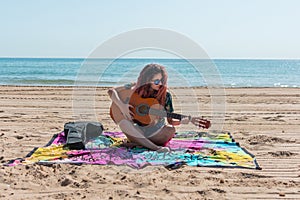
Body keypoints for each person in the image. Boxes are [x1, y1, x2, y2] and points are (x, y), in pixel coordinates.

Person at [108, 63, 190, 152]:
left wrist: (181, 121)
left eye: (162, 80)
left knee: (171, 130)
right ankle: (155, 148)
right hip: (138, 130)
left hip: (155, 133)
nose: (160, 84)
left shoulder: (166, 96)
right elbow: (111, 91)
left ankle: (140, 143)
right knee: (123, 123)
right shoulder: (134, 87)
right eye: (156, 81)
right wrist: (122, 106)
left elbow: (171, 121)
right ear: (146, 80)